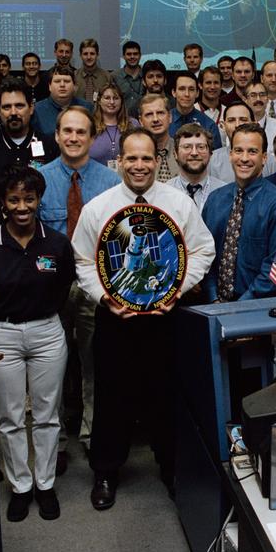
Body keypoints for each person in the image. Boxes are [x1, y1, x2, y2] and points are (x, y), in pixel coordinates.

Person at [70, 128, 215, 509]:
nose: (138, 165)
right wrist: (105, 297)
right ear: (120, 162)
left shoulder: (178, 203)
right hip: (115, 319)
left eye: (146, 158)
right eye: (131, 158)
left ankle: (171, 468)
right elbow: (83, 262)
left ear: (157, 160)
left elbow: (202, 250)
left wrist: (176, 291)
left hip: (164, 319)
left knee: (165, 395)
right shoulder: (97, 208)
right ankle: (105, 471)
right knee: (111, 396)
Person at [0, 167, 75, 523]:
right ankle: (20, 486)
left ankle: (45, 484)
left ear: (38, 201)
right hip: (1, 335)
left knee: (48, 414)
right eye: (14, 199)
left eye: (29, 199)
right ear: (4, 203)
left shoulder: (57, 244)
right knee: (10, 416)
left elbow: (65, 287)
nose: (22, 206)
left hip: (47, 332)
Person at [38, 106, 119, 463]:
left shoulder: (111, 182)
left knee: (93, 364)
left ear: (92, 137)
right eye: (67, 131)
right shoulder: (39, 180)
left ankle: (92, 432)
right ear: (56, 135)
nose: (73, 138)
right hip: (50, 288)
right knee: (51, 368)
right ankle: (52, 442)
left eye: (81, 132)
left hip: (94, 288)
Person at [203, 123, 276, 302]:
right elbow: (205, 254)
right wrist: (213, 297)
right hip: (212, 305)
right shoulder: (215, 200)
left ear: (264, 158)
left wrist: (237, 309)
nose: (244, 158)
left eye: (252, 151)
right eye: (238, 150)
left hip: (256, 311)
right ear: (230, 154)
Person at [32, 67, 91, 161]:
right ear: (50, 86)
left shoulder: (87, 108)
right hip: (47, 163)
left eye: (67, 81)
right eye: (57, 81)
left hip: (81, 162)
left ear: (75, 86)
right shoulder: (37, 110)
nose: (62, 85)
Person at [168, 123, 225, 211]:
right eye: (187, 147)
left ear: (210, 153)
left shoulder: (225, 193)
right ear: (175, 154)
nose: (194, 153)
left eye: (201, 147)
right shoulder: (165, 192)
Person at [89, 80, 135, 167]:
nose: (112, 102)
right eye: (107, 98)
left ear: (121, 101)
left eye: (116, 98)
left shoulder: (133, 124)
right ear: (99, 100)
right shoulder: (89, 125)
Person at [169, 73, 220, 148]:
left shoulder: (209, 125)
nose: (187, 94)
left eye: (191, 89)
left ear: (197, 93)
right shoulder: (163, 121)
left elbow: (216, 157)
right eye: (182, 89)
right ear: (174, 92)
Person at [74, 38, 109, 103]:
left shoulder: (107, 77)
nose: (89, 57)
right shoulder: (74, 76)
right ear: (80, 55)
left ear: (97, 55)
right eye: (85, 54)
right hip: (79, 112)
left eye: (92, 54)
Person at [114, 41, 144, 113]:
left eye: (135, 54)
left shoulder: (147, 75)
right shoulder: (115, 76)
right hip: (122, 120)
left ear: (140, 55)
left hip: (145, 118)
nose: (132, 57)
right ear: (123, 56)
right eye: (129, 54)